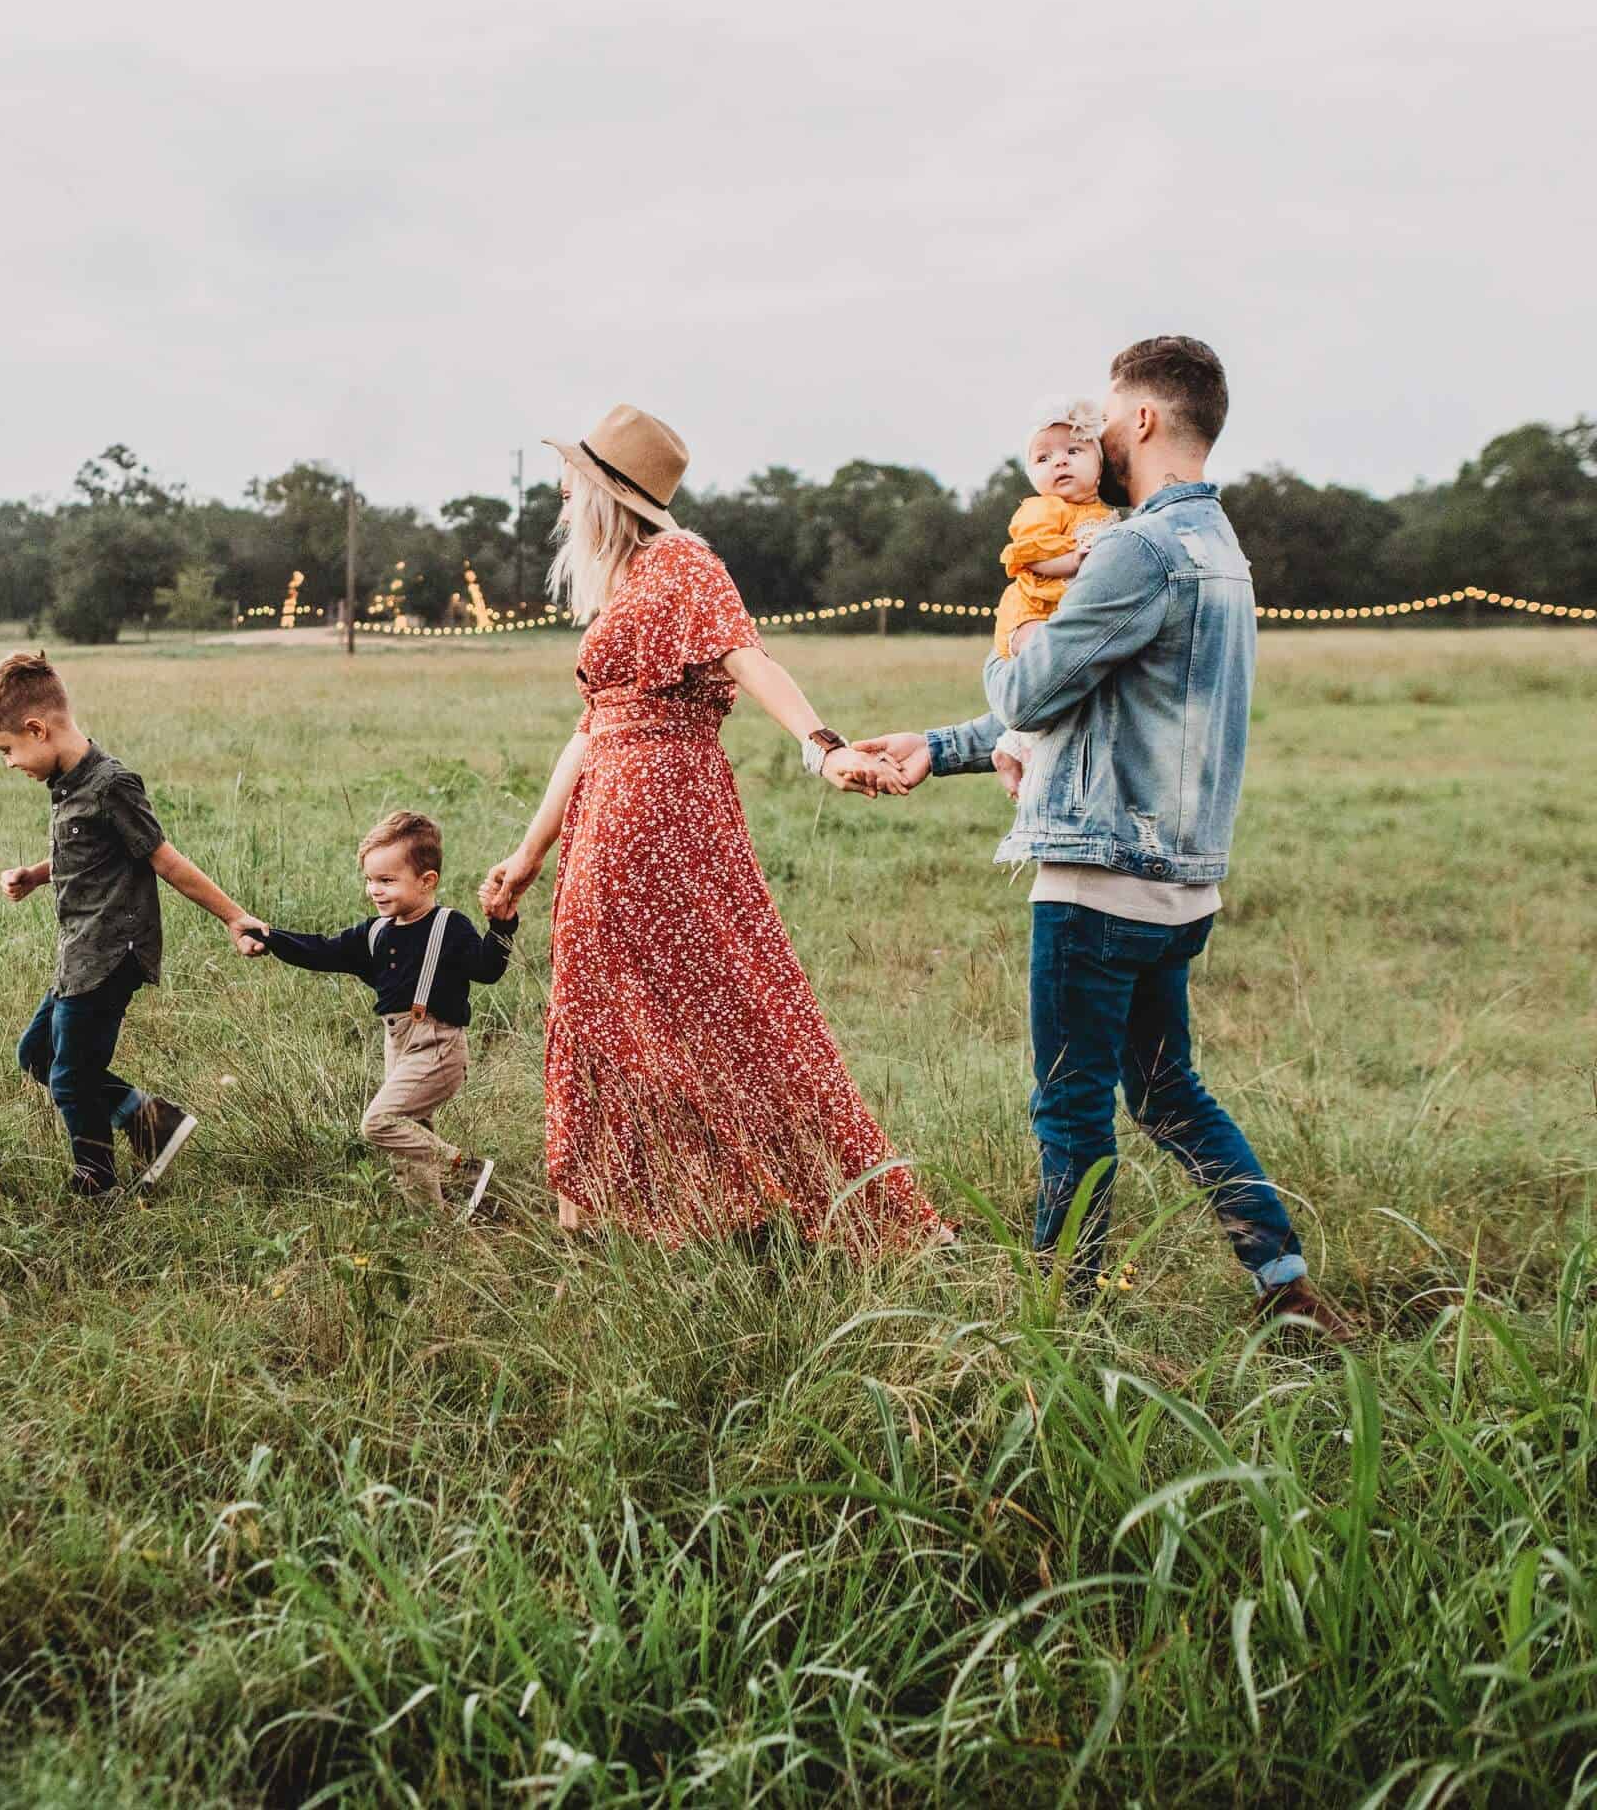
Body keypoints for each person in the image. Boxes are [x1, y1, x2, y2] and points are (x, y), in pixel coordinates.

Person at [855, 338, 1355, 1337]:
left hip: (1098, 881)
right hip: (1180, 886)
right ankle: (1284, 1284)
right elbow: (1100, 707)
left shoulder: (1135, 549)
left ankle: (1060, 1322)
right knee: (1168, 1093)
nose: (1094, 437)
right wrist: (941, 747)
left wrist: (1010, 646)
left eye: (1108, 417)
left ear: (1144, 421)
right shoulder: (1220, 551)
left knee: (1070, 1110)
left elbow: (1037, 688)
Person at [479, 403, 946, 1251]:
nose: (558, 492)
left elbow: (748, 655)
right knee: (606, 1001)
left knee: (721, 1002)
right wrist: (527, 853)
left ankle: (755, 1198)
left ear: (606, 493)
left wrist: (821, 746)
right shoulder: (624, 581)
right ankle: (615, 1208)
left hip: (659, 811)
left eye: (572, 479)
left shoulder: (682, 563)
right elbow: (589, 732)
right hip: (610, 810)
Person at [0, 650, 262, 1200]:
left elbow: (166, 860)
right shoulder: (69, 787)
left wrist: (235, 917)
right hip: (78, 953)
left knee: (71, 1076)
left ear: (37, 729)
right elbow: (88, 856)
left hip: (110, 954)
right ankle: (151, 1121)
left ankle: (96, 1181)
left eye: (8, 750)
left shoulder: (111, 785)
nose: (9, 763)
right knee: (37, 1055)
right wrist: (37, 874)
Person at [238, 811, 515, 1214]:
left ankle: (464, 1170)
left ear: (427, 881)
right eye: (370, 880)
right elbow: (321, 951)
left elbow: (488, 970)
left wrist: (502, 928)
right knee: (408, 1140)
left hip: (438, 1046)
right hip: (397, 1045)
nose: (375, 890)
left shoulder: (448, 926)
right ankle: (432, 1226)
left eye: (387, 880)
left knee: (381, 1123)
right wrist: (270, 937)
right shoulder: (375, 932)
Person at [989, 397, 1118, 805]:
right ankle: (1023, 751)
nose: (1059, 462)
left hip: (1063, 612)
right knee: (1049, 664)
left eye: (1073, 451)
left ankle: (1009, 747)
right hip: (1031, 611)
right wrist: (1075, 560)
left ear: (1099, 467)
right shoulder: (1042, 509)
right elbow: (1031, 554)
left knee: (1067, 679)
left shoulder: (1105, 514)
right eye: (1044, 458)